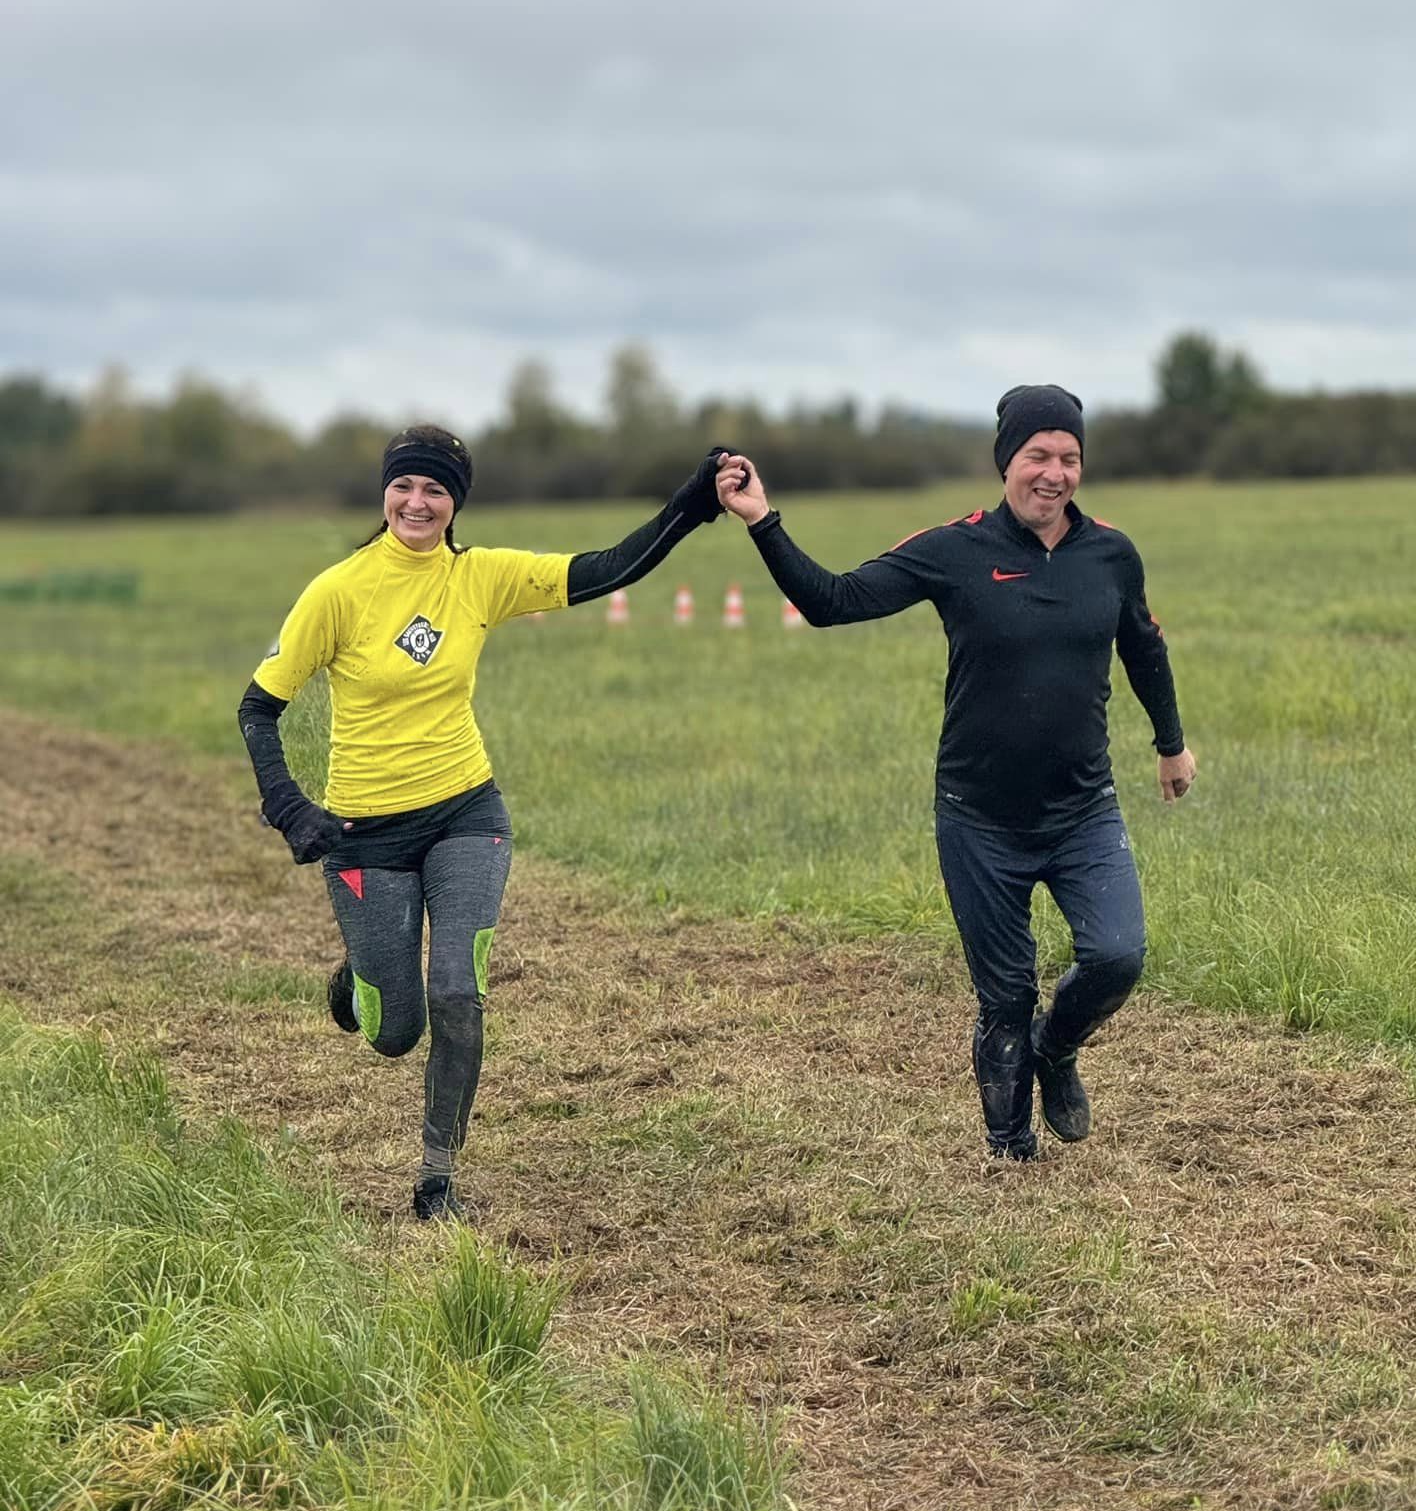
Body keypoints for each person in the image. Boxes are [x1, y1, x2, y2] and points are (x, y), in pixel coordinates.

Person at [238, 424, 731, 1220]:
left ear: (455, 503)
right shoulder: (338, 591)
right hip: (368, 836)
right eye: (405, 485)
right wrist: (290, 806)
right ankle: (361, 980)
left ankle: (437, 1178)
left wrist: (694, 502)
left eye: (435, 489)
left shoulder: (481, 578)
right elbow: (258, 709)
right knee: (394, 1031)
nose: (417, 502)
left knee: (457, 993)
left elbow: (609, 567)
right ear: (385, 492)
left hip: (466, 811)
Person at [718, 385, 1195, 1162]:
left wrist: (1171, 744)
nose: (1055, 473)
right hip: (980, 819)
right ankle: (1011, 1153)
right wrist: (762, 520)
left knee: (1118, 955)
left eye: (1070, 457)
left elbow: (1143, 646)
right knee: (1005, 996)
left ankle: (1056, 1048)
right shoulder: (954, 549)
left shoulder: (1112, 554)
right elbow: (832, 601)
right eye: (1038, 455)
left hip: (1083, 810)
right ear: (1006, 461)